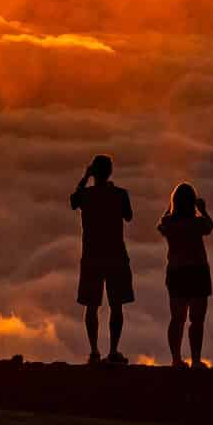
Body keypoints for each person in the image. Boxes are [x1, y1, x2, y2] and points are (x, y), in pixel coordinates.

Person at [70, 155, 135, 365]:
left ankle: (94, 351)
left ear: (93, 172)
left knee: (91, 305)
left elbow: (73, 201)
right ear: (110, 172)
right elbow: (129, 216)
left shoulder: (86, 195)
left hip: (92, 256)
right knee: (116, 306)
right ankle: (113, 350)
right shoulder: (120, 194)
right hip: (116, 255)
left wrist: (84, 177)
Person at [157, 183, 213, 369]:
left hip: (176, 272)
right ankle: (196, 360)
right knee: (196, 320)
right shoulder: (198, 223)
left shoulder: (169, 223)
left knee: (177, 319)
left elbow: (161, 222)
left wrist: (169, 207)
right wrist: (203, 210)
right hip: (198, 271)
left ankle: (176, 359)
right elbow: (210, 226)